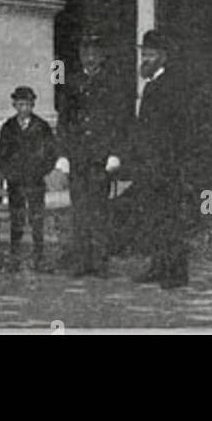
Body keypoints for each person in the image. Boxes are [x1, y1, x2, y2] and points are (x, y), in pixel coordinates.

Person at [123, 30, 193, 290]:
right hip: (150, 165)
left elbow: (178, 129)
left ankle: (175, 273)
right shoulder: (152, 85)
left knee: (171, 219)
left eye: (150, 55)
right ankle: (158, 266)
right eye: (143, 54)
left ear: (163, 57)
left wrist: (170, 162)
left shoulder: (171, 86)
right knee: (154, 218)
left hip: (166, 166)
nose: (145, 59)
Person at [59, 33, 132, 278]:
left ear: (102, 56)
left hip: (101, 157)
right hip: (78, 157)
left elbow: (121, 122)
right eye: (85, 52)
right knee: (79, 210)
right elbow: (64, 121)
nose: (90, 58)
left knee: (100, 210)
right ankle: (81, 261)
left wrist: (116, 154)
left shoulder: (114, 83)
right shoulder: (71, 82)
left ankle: (100, 262)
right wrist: (63, 154)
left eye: (94, 53)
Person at [0, 85, 60, 272]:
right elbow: (0, 155)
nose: (24, 109)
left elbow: (51, 153)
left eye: (28, 105)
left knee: (36, 220)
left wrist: (40, 171)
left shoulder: (42, 127)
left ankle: (39, 257)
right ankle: (15, 256)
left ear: (33, 105)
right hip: (15, 182)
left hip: (35, 181)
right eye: (20, 104)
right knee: (17, 219)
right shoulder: (9, 127)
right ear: (14, 105)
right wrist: (9, 173)